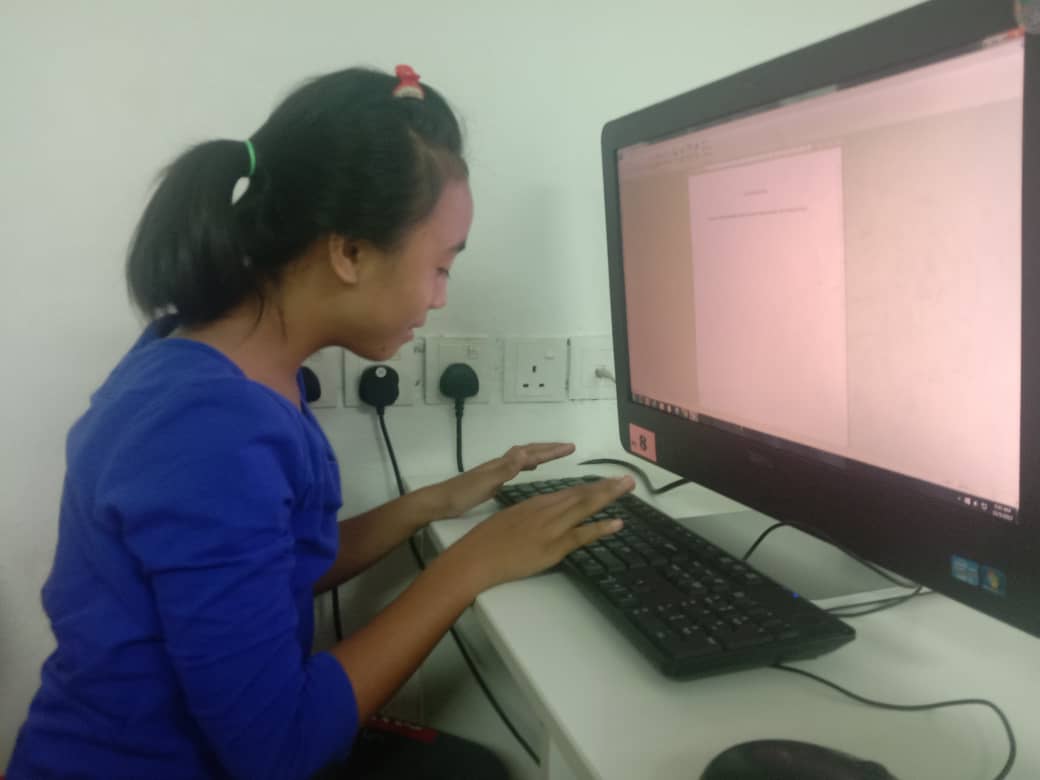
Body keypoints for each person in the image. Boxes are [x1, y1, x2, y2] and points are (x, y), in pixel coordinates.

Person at [6, 65, 633, 779]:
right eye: (440, 267)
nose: (439, 299)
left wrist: (434, 501)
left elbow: (266, 567)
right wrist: (471, 565)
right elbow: (279, 751)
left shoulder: (214, 363)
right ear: (350, 251)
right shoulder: (210, 431)